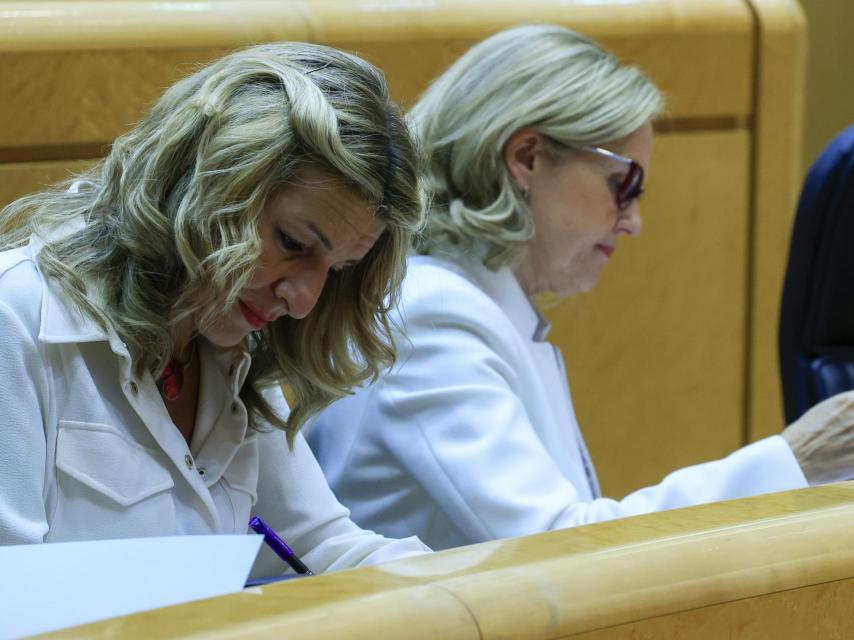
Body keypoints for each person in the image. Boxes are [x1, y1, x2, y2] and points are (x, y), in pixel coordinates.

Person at [306, 25, 854, 551]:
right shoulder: (432, 314)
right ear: (526, 158)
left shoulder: (477, 306)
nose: (634, 221)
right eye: (623, 185)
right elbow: (560, 546)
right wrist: (794, 458)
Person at [0, 42, 431, 574]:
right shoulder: (15, 315)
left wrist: (468, 596)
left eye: (337, 269)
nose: (303, 303)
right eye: (292, 243)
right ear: (201, 186)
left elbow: (321, 547)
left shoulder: (226, 340)